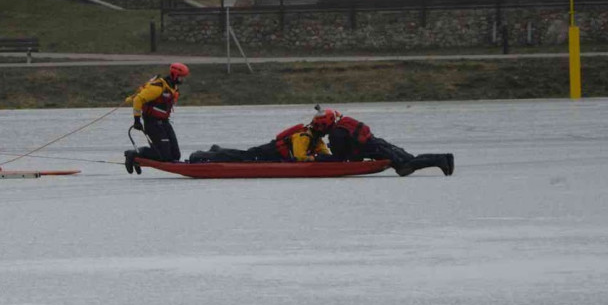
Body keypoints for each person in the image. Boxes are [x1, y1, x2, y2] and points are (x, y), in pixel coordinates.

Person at [321, 107, 453, 176]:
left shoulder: (335, 134)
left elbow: (340, 158)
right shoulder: (343, 125)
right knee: (410, 158)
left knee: (404, 167)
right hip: (378, 142)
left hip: (378, 149)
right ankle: (444, 158)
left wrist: (320, 157)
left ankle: (440, 160)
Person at [124, 62, 189, 173]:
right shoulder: (158, 88)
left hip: (164, 122)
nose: (183, 80)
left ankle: (141, 158)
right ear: (175, 75)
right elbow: (137, 100)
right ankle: (133, 154)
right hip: (152, 122)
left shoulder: (173, 87)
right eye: (181, 77)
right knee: (164, 156)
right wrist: (137, 120)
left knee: (175, 155)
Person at [189, 113, 333, 163]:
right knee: (243, 157)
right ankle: (205, 155)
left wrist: (326, 157)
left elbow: (325, 153)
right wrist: (315, 158)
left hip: (274, 153)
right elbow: (300, 157)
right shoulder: (304, 136)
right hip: (269, 152)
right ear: (322, 126)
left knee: (243, 155)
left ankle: (218, 150)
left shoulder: (315, 138)